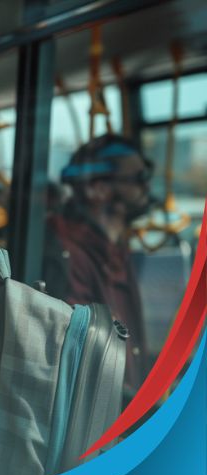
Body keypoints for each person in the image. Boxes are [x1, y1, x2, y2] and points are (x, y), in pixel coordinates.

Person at [44, 134, 153, 397]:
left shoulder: (114, 252)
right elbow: (78, 364)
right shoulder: (66, 254)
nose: (146, 188)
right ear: (98, 190)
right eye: (138, 178)